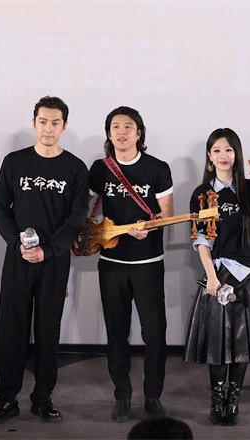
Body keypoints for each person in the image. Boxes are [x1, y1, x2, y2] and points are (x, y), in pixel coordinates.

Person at [0, 96, 88, 424]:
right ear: (34, 123)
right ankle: (6, 399)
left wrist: (49, 249)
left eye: (55, 122)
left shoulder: (75, 168)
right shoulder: (15, 162)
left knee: (47, 330)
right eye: (42, 121)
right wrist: (17, 243)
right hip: (19, 257)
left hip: (53, 261)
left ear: (64, 126)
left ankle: (43, 397)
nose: (48, 128)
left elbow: (77, 217)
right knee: (11, 329)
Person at [183, 128, 250, 425]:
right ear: (209, 157)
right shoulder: (202, 194)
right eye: (217, 150)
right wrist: (211, 277)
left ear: (236, 154)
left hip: (249, 275)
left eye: (228, 149)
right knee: (217, 341)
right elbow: (201, 240)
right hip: (218, 274)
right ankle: (217, 397)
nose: (223, 155)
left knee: (242, 343)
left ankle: (233, 398)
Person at [88, 106, 173, 422]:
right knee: (117, 333)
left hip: (148, 262)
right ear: (109, 134)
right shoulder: (100, 169)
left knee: (155, 333)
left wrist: (148, 227)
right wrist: (96, 229)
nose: (121, 132)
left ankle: (153, 396)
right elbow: (87, 210)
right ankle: (122, 395)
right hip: (111, 263)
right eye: (115, 127)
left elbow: (167, 214)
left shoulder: (157, 168)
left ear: (139, 133)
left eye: (128, 127)